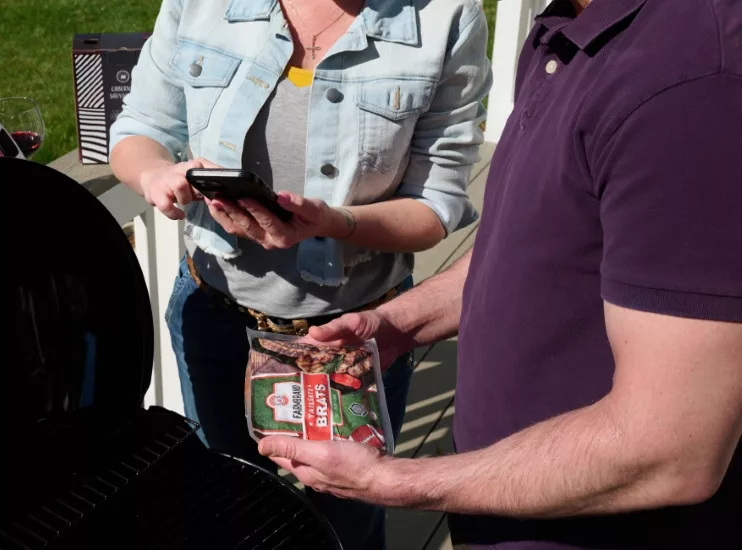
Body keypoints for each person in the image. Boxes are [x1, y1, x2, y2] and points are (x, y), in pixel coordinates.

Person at [257, 0, 742, 548]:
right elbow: (532, 248)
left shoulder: (693, 83)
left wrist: (391, 481)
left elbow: (672, 449)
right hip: (510, 498)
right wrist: (399, 323)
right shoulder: (569, 25)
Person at [109, 0, 492, 547]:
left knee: (345, 526)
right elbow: (139, 129)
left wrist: (338, 223)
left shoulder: (444, 16)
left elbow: (434, 206)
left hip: (350, 336)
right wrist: (156, 174)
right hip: (216, 316)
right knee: (229, 513)